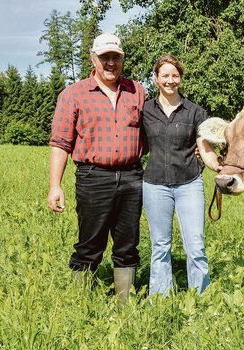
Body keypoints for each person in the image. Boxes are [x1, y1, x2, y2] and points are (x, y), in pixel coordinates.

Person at [47, 33, 146, 305]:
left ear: (122, 59)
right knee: (90, 244)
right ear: (93, 59)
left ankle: (124, 303)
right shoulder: (73, 94)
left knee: (128, 244)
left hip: (132, 177)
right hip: (93, 178)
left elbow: (156, 132)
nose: (110, 63)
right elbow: (60, 142)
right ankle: (80, 303)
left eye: (116, 57)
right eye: (105, 58)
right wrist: (55, 186)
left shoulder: (138, 91)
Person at [142, 54, 221, 297]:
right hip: (155, 185)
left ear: (181, 79)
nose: (170, 80)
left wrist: (218, 166)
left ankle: (201, 297)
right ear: (155, 79)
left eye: (175, 75)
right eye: (165, 75)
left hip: (189, 184)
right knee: (160, 246)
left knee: (195, 245)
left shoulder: (195, 112)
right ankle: (160, 298)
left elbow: (205, 146)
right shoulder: (144, 110)